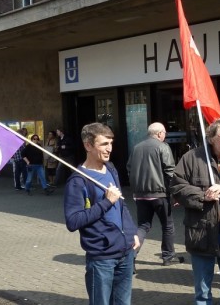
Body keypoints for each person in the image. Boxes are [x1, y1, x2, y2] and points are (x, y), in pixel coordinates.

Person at [170, 119, 220, 305]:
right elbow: (177, 187)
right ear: (212, 138)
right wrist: (204, 195)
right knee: (203, 291)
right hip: (202, 233)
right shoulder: (191, 158)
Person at [64, 123, 139, 305]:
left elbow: (121, 204)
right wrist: (106, 202)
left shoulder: (111, 168)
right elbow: (73, 221)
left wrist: (131, 232)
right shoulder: (78, 181)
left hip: (125, 252)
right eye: (104, 144)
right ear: (88, 146)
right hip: (102, 258)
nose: (109, 149)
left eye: (111, 143)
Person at [127, 122, 179, 266]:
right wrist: (175, 193)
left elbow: (129, 169)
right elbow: (170, 171)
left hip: (140, 194)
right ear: (159, 134)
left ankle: (131, 255)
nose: (165, 135)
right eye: (164, 133)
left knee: (143, 226)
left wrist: (135, 188)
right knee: (167, 226)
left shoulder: (136, 148)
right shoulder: (163, 147)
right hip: (160, 194)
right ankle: (168, 257)